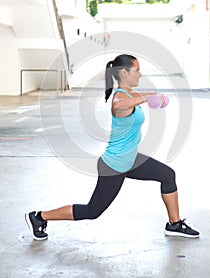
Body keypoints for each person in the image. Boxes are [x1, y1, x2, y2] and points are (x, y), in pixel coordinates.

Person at [25, 54, 199, 241]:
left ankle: (174, 223)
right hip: (114, 165)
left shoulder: (129, 94)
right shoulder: (120, 98)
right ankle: (39, 217)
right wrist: (148, 97)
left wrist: (149, 98)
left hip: (130, 159)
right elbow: (118, 105)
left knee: (167, 175)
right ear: (124, 73)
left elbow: (129, 103)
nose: (140, 75)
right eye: (137, 70)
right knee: (92, 211)